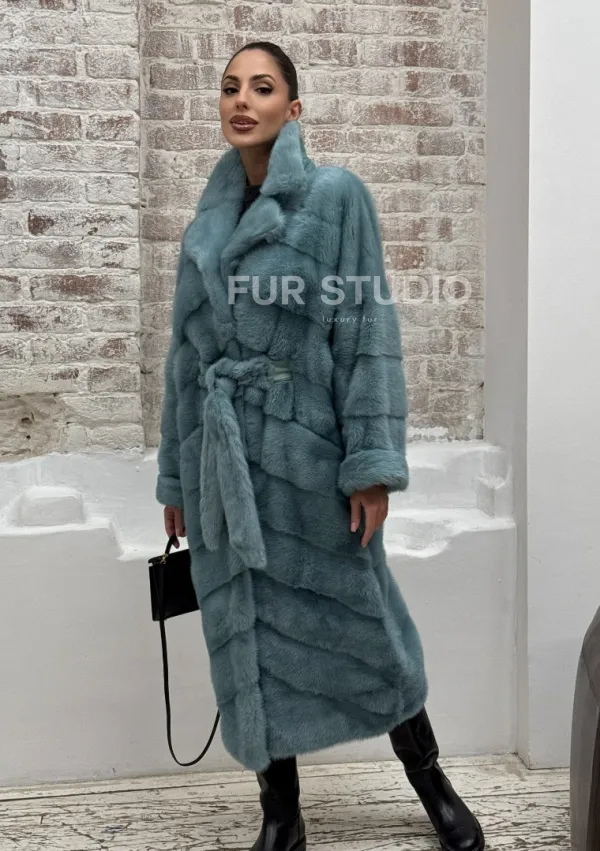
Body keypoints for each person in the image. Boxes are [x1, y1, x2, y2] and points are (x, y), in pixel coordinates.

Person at [156, 40, 485, 851]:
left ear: (293, 108)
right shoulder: (203, 231)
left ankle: (431, 780)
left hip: (306, 460)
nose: (243, 100)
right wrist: (176, 478)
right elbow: (184, 365)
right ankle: (281, 812)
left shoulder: (337, 198)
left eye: (263, 87)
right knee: (248, 642)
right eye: (230, 87)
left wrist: (369, 465)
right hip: (222, 470)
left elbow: (367, 334)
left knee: (368, 627)